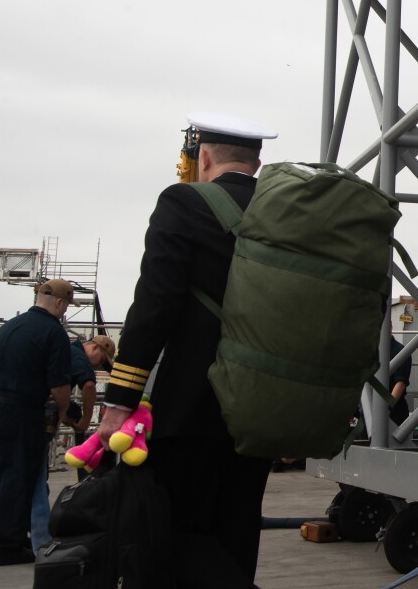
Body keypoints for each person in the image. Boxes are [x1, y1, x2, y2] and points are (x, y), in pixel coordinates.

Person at [96, 112, 278, 588]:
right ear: (258, 162)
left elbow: (156, 303)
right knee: (237, 532)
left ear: (205, 156)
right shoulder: (281, 211)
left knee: (178, 537)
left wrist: (119, 401)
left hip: (188, 411)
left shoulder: (183, 201)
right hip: (258, 412)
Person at [0, 279, 72, 567]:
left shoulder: (8, 328)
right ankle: (6, 545)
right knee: (15, 476)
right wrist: (62, 412)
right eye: (66, 307)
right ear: (60, 304)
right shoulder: (53, 333)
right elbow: (59, 386)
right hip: (19, 411)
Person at [30, 333, 115, 550]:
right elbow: (88, 386)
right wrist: (86, 420)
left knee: (34, 475)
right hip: (33, 415)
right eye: (101, 363)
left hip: (27, 409)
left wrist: (67, 410)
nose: (98, 368)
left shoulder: (67, 354)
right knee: (36, 477)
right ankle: (42, 540)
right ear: (95, 349)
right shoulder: (77, 354)